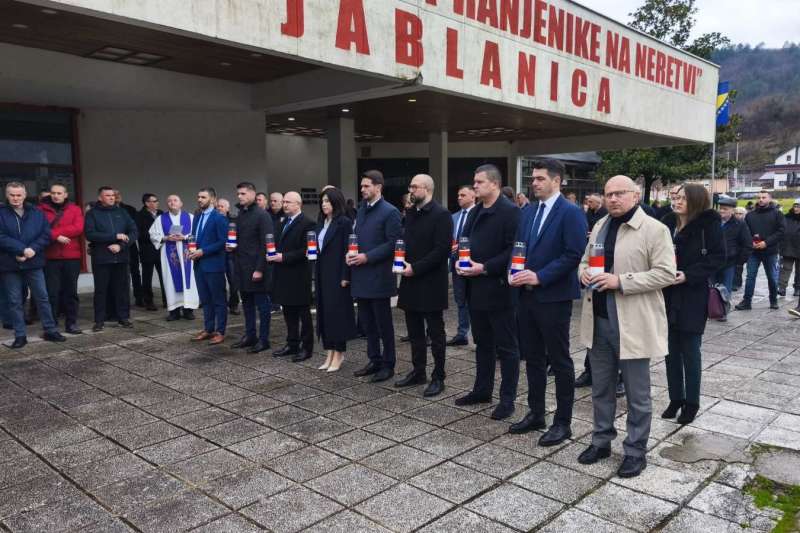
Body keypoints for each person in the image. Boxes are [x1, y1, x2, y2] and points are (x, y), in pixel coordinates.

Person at [577, 175, 675, 478]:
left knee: (637, 394)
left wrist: (620, 281)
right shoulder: (600, 225)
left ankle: (635, 450)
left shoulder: (655, 229)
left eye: (620, 193)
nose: (613, 199)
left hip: (632, 322)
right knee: (601, 388)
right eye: (609, 194)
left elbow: (666, 274)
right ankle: (601, 441)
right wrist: (583, 273)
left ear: (635, 195)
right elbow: (584, 261)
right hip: (598, 320)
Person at [508, 159, 587, 445]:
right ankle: (536, 412)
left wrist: (540, 276)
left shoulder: (571, 212)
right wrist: (513, 271)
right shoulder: (528, 211)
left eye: (540, 178)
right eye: (533, 178)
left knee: (559, 360)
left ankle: (563, 422)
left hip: (554, 297)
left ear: (556, 181)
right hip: (526, 296)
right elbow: (519, 247)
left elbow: (573, 254)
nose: (534, 183)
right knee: (533, 358)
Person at [454, 164, 521, 420]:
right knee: (482, 343)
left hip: (499, 289)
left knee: (507, 348)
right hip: (476, 289)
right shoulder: (476, 211)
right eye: (474, 182)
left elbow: (513, 250)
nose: (475, 186)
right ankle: (482, 390)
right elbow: (465, 242)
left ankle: (507, 400)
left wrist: (484, 267)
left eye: (479, 182)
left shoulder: (510, 212)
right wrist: (461, 262)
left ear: (494, 184)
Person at [661, 183, 725, 425]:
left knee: (690, 351)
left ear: (696, 201)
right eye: (675, 197)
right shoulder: (667, 222)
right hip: (667, 292)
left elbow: (718, 257)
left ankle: (692, 402)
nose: (677, 202)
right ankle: (675, 398)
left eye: (683, 199)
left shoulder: (708, 224)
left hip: (692, 294)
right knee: (670, 351)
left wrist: (688, 275)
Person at [395, 175, 453, 397]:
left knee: (435, 333)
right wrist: (400, 260)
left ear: (427, 189)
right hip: (410, 280)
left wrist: (416, 268)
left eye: (414, 186)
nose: (410, 190)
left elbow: (441, 250)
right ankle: (418, 371)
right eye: (410, 186)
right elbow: (406, 242)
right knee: (414, 331)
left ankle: (439, 377)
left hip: (430, 282)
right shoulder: (410, 213)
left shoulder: (442, 215)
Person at [348, 170, 403, 382]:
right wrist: (351, 253)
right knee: (367, 323)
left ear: (378, 187)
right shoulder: (361, 210)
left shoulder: (390, 212)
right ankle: (374, 359)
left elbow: (393, 243)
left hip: (379, 276)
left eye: (366, 186)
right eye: (361, 186)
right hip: (360, 274)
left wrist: (367, 257)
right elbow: (357, 238)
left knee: (383, 325)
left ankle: (388, 364)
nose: (362, 189)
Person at [0, 182, 66, 348]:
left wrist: (32, 249)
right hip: (10, 264)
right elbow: (1, 237)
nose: (16, 198)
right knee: (15, 301)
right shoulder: (1, 213)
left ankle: (50, 330)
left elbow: (46, 234)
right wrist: (21, 250)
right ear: (7, 195)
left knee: (42, 297)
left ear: (25, 195)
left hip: (34, 262)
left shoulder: (37, 212)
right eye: (12, 195)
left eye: (19, 195)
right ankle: (20, 335)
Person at [269, 191, 316, 362]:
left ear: (298, 204)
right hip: (283, 274)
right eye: (284, 202)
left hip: (299, 275)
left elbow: (306, 250)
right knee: (288, 312)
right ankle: (292, 344)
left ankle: (307, 348)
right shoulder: (283, 222)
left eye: (288, 202)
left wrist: (283, 257)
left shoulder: (308, 223)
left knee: (303, 314)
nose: (285, 205)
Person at [314, 187, 357, 372]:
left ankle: (339, 353)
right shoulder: (321, 222)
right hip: (322, 273)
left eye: (327, 201)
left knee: (337, 315)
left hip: (338, 274)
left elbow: (349, 249)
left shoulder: (344, 223)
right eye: (322, 201)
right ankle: (329, 352)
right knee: (324, 313)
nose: (324, 205)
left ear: (335, 202)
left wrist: (346, 276)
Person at [84, 186, 138, 332]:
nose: (111, 197)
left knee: (122, 289)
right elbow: (90, 234)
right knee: (101, 290)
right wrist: (114, 236)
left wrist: (120, 245)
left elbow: (133, 232)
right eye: (107, 195)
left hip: (121, 256)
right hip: (102, 258)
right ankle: (99, 320)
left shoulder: (122, 212)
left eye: (113, 195)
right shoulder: (92, 214)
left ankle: (123, 318)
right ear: (100, 198)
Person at [231, 182, 274, 353]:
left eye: (243, 193)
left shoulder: (262, 215)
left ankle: (264, 339)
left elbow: (267, 244)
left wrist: (260, 269)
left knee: (262, 306)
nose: (239, 196)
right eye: (238, 194)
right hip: (242, 267)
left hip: (256, 268)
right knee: (247, 304)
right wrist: (232, 247)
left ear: (252, 194)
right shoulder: (241, 214)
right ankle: (250, 336)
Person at [38, 182, 84, 335]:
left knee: (71, 292)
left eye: (59, 193)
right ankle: (52, 325)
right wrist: (56, 236)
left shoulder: (75, 209)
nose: (56, 196)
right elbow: (39, 229)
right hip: (50, 257)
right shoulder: (41, 210)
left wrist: (55, 232)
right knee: (52, 293)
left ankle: (71, 323)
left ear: (65, 195)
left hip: (71, 257)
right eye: (53, 193)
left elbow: (78, 227)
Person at [149, 195, 199, 321]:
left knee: (189, 280)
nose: (172, 203)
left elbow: (198, 233)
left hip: (187, 254)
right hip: (169, 254)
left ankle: (188, 310)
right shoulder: (161, 219)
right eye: (169, 201)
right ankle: (174, 311)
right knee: (170, 281)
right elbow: (153, 234)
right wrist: (166, 237)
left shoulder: (190, 217)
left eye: (175, 200)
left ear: (181, 203)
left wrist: (185, 237)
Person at [189, 187, 228, 345]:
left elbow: (223, 241)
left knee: (218, 300)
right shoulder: (197, 216)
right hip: (199, 265)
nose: (199, 199)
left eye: (203, 197)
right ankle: (208, 328)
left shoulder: (219, 218)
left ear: (212, 199)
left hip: (214, 265)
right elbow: (194, 237)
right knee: (205, 299)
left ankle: (220, 331)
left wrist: (203, 251)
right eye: (198, 197)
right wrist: (189, 249)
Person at [736, 190, 786, 310]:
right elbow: (745, 231)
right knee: (750, 277)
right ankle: (747, 301)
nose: (761, 200)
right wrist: (750, 242)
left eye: (764, 197)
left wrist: (766, 242)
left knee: (772, 277)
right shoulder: (750, 215)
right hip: (753, 251)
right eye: (759, 197)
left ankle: (773, 300)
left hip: (770, 251)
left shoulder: (777, 214)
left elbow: (781, 231)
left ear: (770, 198)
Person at [446, 185, 475, 346]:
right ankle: (462, 333)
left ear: (473, 196)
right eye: (458, 195)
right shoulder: (454, 217)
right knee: (460, 299)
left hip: (474, 264)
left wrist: (465, 246)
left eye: (463, 195)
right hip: (456, 265)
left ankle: (478, 334)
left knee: (475, 300)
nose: (459, 198)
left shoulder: (479, 215)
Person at [714, 196, 752, 295]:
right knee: (712, 291)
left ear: (732, 211)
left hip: (729, 263)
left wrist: (739, 262)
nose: (721, 211)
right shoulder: (713, 222)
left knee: (726, 293)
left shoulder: (739, 224)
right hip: (713, 262)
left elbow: (747, 244)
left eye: (725, 209)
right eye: (720, 208)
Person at [135, 193, 166, 311]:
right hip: (147, 250)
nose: (157, 203)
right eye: (154, 201)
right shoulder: (139, 215)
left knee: (165, 276)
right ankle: (148, 301)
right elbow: (139, 234)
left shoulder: (161, 214)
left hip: (161, 249)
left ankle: (167, 300)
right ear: (147, 203)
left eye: (157, 200)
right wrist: (156, 237)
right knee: (147, 277)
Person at [114, 190, 143, 307]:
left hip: (130, 244)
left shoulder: (129, 209)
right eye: (114, 195)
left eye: (118, 194)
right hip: (114, 245)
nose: (117, 197)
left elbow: (135, 227)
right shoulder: (107, 211)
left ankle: (139, 297)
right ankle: (122, 300)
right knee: (120, 274)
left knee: (135, 271)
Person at [216, 198, 240, 315]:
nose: (219, 208)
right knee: (219, 282)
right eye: (218, 206)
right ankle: (221, 305)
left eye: (222, 206)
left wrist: (235, 245)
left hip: (231, 255)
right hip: (218, 255)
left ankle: (233, 305)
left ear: (227, 208)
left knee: (234, 282)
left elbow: (240, 236)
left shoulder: (234, 220)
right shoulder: (213, 220)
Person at [778, 199, 800, 297]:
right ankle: (782, 288)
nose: (796, 208)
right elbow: (781, 230)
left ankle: (798, 288)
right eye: (795, 206)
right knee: (785, 268)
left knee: (799, 270)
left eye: (798, 206)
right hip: (788, 246)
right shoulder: (786, 217)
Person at [733, 206, 748, 290]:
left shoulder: (746, 224)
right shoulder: (732, 223)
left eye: (740, 214)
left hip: (742, 249)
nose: (738, 215)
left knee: (738, 267)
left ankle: (737, 283)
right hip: (734, 248)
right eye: (736, 213)